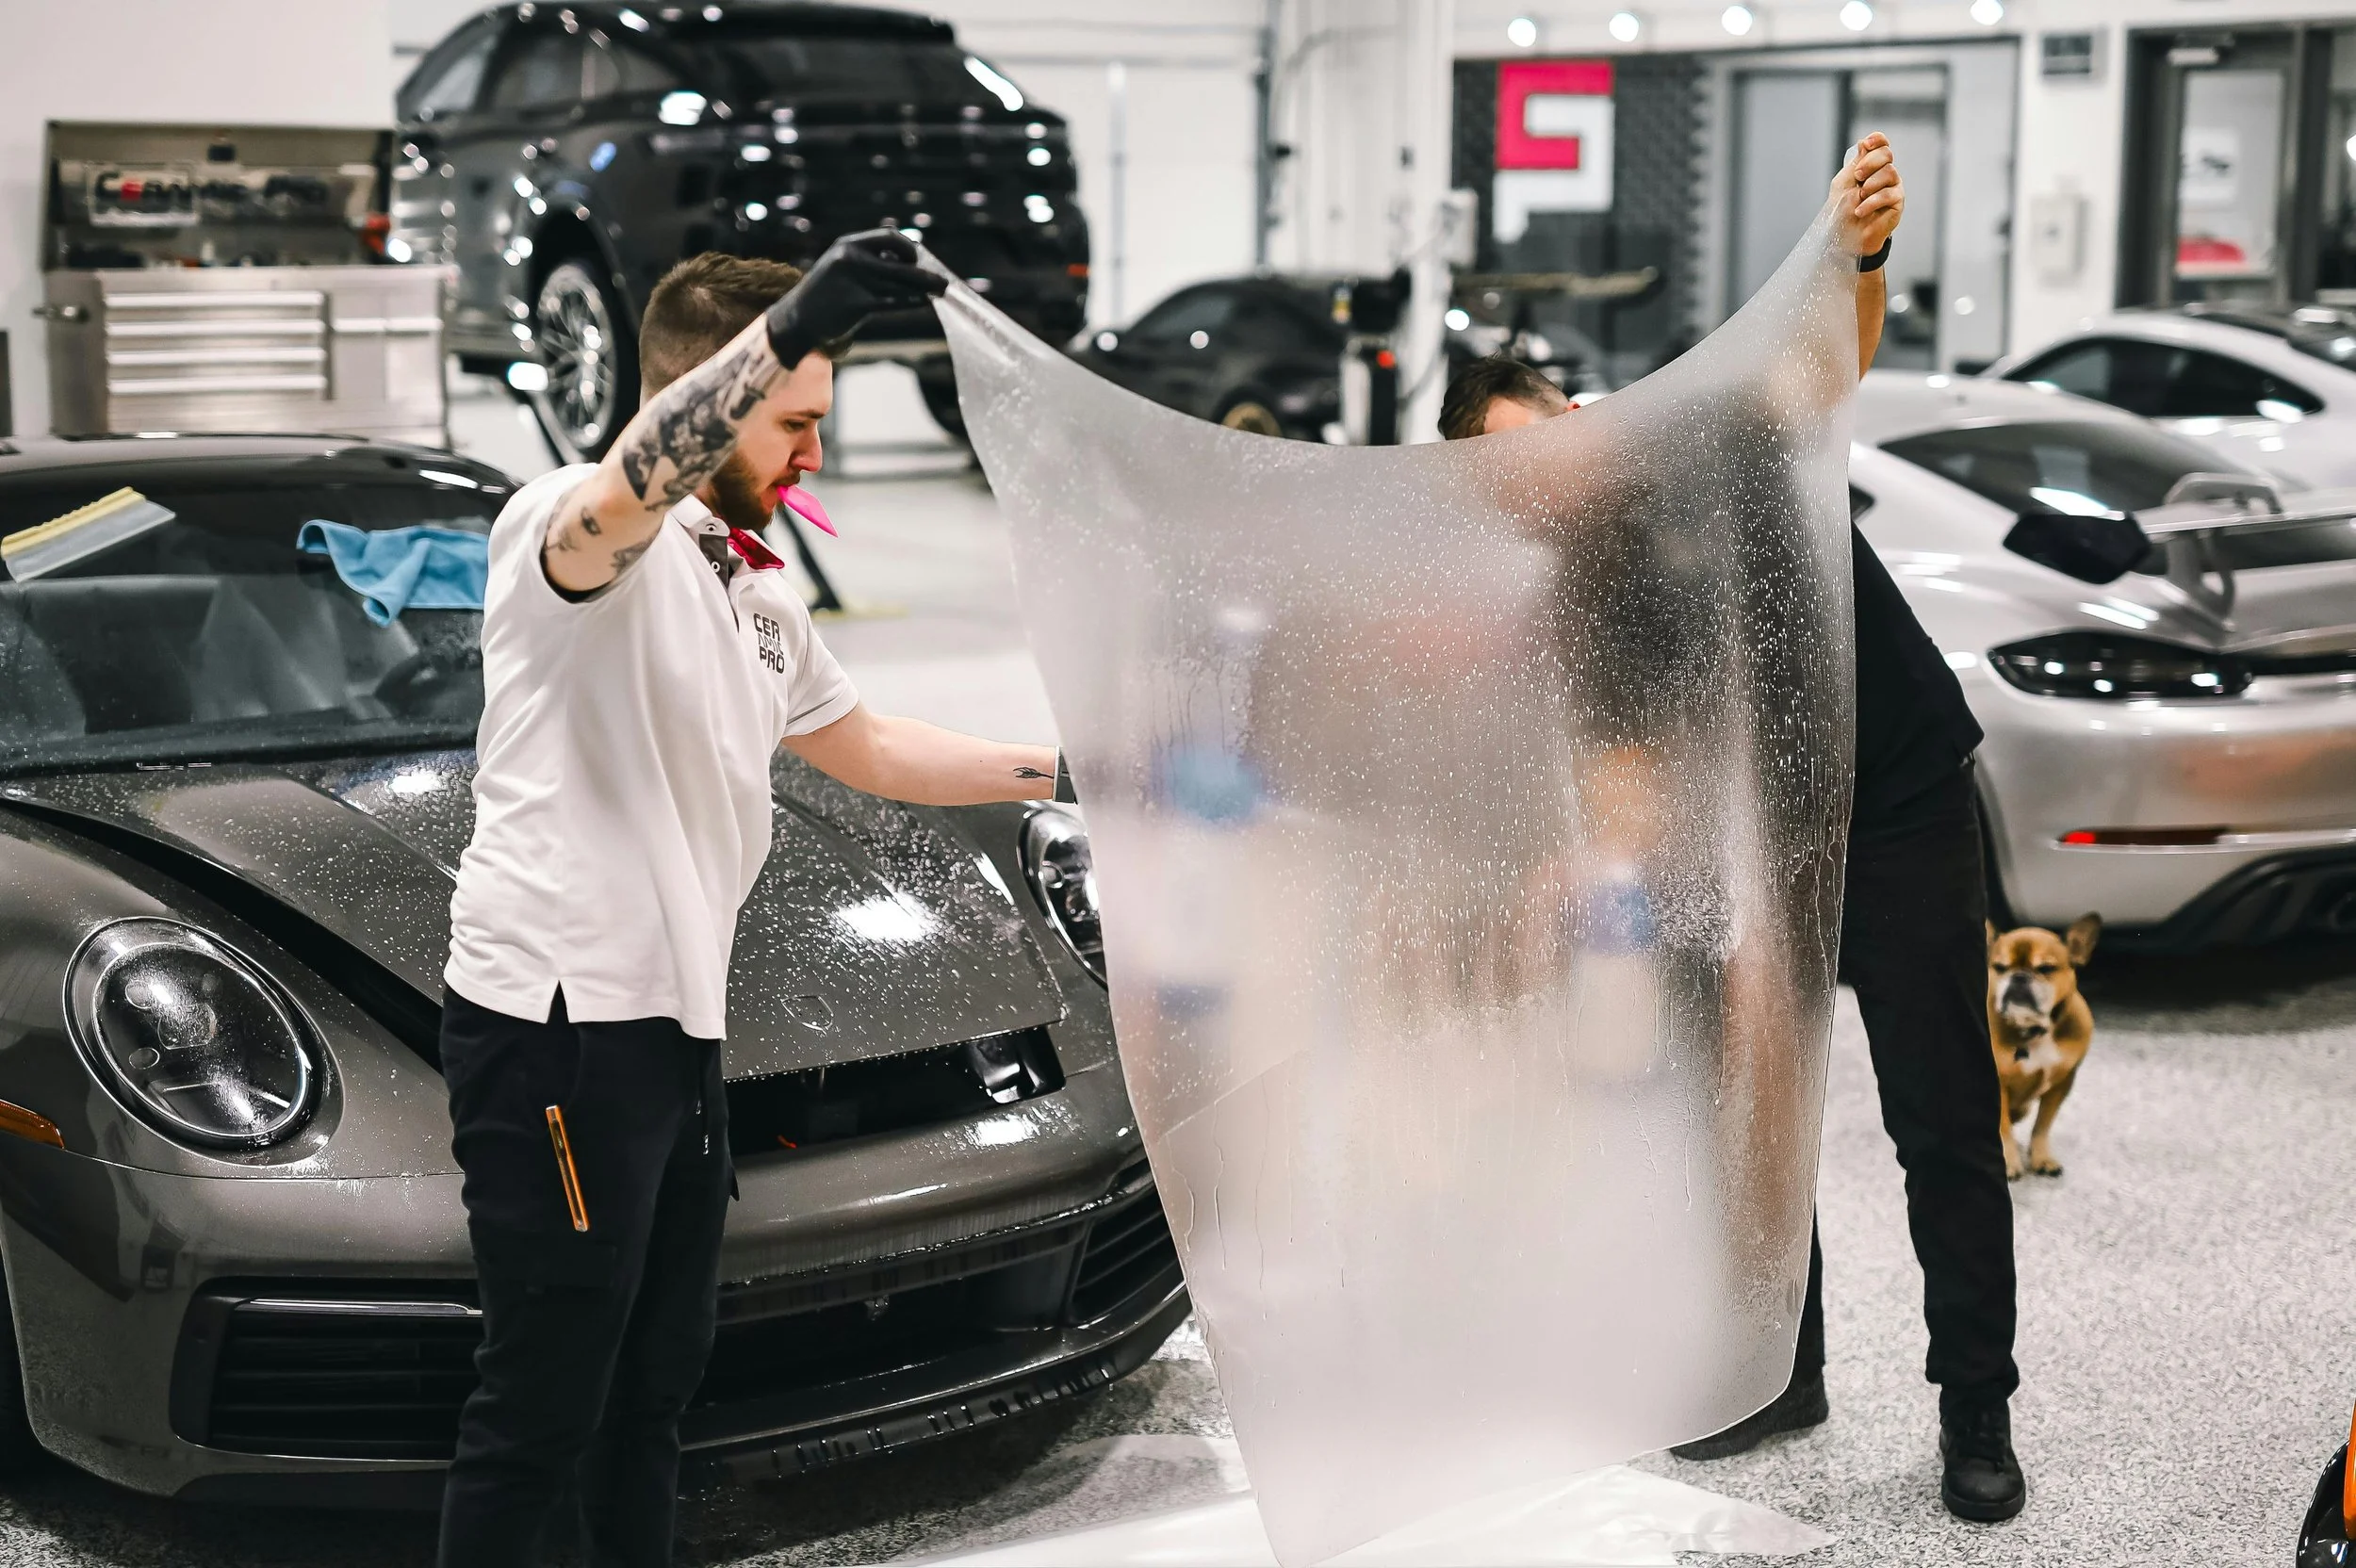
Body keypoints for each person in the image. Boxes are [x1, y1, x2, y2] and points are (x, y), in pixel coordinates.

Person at [436, 234, 1066, 1568]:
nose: (817, 455)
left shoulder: (762, 592)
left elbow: (876, 749)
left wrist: (1081, 771)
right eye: (795, 421)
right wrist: (807, 311)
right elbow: (633, 481)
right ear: (711, 393)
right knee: (542, 1402)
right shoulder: (577, 533)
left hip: (677, 1032)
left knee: (657, 1387)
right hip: (559, 1026)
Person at [1438, 134, 2026, 1524]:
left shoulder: (1706, 435)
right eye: (1510, 488)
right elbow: (1636, 784)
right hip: (1761, 838)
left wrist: (1863, 252)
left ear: (1579, 410)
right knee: (1744, 1120)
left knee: (1940, 1115)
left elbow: (1830, 362)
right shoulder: (1576, 602)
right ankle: (1780, 1374)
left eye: (1550, 450)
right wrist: (1601, 890)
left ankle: (1977, 1409)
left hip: (1894, 799)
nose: (1549, 489)